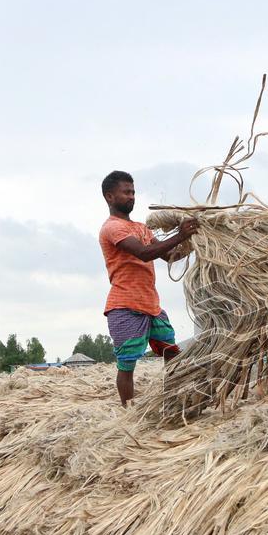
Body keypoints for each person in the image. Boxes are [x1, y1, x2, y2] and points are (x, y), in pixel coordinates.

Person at [98, 171, 198, 406]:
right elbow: (144, 254)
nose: (131, 197)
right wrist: (179, 235)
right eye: (126, 192)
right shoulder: (112, 228)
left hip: (151, 306)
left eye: (133, 192)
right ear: (110, 197)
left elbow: (169, 255)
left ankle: (174, 400)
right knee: (128, 363)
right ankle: (129, 412)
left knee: (171, 353)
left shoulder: (142, 228)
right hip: (124, 307)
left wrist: (193, 241)